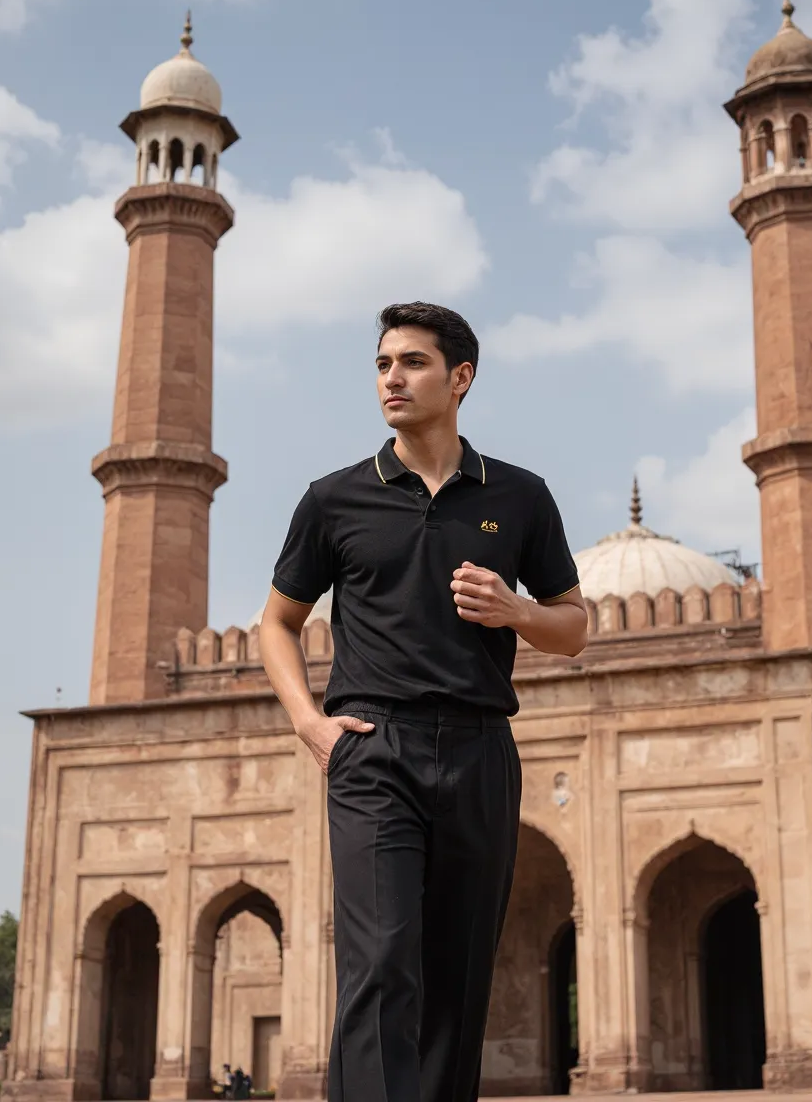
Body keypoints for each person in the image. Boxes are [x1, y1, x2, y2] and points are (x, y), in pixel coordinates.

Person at [259, 302, 587, 1102]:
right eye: (382, 365)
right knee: (380, 961)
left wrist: (516, 611)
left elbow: (574, 627)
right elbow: (278, 622)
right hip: (374, 749)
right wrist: (310, 725)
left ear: (460, 377)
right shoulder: (336, 499)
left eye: (411, 362)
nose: (392, 379)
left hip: (479, 750)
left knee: (458, 974)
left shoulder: (519, 496)